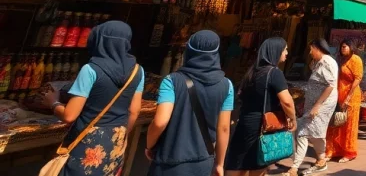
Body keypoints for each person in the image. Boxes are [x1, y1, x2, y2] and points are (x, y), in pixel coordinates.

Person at [44, 21, 144, 176]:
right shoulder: (138, 71)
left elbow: (70, 115)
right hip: (116, 140)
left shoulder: (90, 69)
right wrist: (121, 134)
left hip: (88, 140)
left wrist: (53, 102)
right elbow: (134, 110)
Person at [145, 30, 233, 176]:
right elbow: (223, 128)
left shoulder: (172, 81)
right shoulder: (226, 85)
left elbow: (160, 122)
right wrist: (219, 164)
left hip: (169, 160)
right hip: (203, 161)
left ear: (189, 51)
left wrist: (149, 146)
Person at [225, 37, 297, 176]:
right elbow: (287, 101)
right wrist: (293, 119)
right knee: (258, 161)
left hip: (245, 122)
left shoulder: (252, 72)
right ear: (276, 51)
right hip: (261, 125)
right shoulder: (274, 73)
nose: (287, 52)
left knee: (238, 161)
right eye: (285, 49)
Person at [286, 39, 338, 175]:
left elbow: (330, 86)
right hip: (315, 103)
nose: (310, 52)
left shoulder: (327, 62)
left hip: (323, 104)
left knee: (303, 131)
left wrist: (317, 105)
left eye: (311, 49)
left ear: (317, 48)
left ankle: (294, 167)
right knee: (316, 133)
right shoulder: (320, 62)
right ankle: (321, 160)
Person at [326, 40, 363, 164]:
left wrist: (348, 98)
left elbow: (357, 79)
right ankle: (334, 150)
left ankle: (349, 152)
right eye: (341, 47)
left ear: (351, 47)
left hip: (351, 96)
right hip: (339, 94)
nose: (342, 49)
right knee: (336, 123)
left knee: (349, 125)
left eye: (345, 46)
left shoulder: (356, 59)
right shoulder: (341, 59)